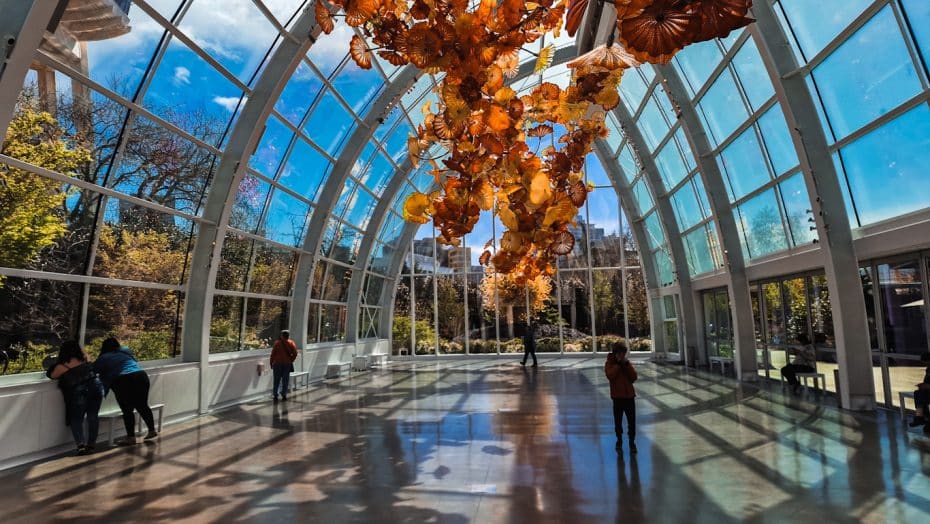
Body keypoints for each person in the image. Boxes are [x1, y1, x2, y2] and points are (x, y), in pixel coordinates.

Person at [94, 337, 157, 445]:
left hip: (123, 379)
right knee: (142, 405)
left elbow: (94, 370)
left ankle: (131, 437)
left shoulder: (104, 357)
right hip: (141, 375)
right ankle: (151, 430)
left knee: (127, 409)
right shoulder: (125, 352)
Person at [46, 341, 104, 455]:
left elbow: (52, 376)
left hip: (79, 391)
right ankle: (91, 444)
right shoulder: (85, 358)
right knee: (93, 416)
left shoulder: (62, 365)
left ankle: (81, 445)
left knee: (76, 418)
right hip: (95, 386)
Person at [605, 342, 637, 454]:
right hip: (617, 398)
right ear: (615, 354)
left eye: (623, 353)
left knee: (632, 422)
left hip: (629, 397)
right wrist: (618, 365)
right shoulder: (609, 364)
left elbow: (634, 377)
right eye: (620, 353)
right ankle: (619, 440)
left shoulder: (627, 363)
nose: (622, 356)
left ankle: (632, 442)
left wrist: (626, 365)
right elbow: (610, 376)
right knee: (618, 422)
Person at [270, 330, 298, 401]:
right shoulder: (291, 343)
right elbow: (295, 353)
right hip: (287, 364)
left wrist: (271, 363)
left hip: (277, 363)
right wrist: (291, 360)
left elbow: (273, 354)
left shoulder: (277, 343)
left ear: (282, 336)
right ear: (288, 336)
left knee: (276, 380)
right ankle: (284, 394)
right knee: (285, 380)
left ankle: (275, 394)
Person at [908, 352, 930, 430]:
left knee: (920, 396)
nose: (926, 365)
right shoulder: (928, 369)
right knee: (919, 394)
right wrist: (923, 385)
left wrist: (927, 386)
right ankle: (921, 417)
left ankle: (921, 417)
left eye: (926, 363)